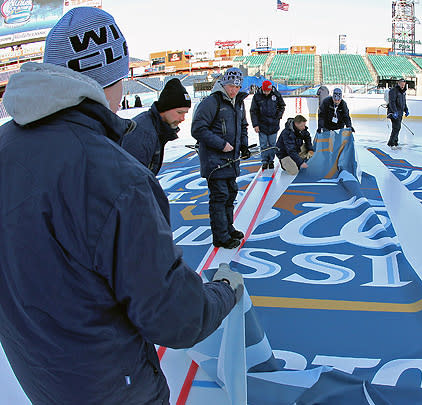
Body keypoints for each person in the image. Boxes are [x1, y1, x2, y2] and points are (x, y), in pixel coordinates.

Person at [0, 8, 243, 405]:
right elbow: (176, 318)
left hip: (41, 378)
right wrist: (223, 293)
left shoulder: (6, 147)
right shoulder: (115, 176)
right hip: (112, 386)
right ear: (114, 76)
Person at [191, 67, 250, 249]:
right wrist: (221, 144)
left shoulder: (239, 103)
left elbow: (243, 126)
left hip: (231, 161)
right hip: (214, 161)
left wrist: (244, 145)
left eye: (237, 87)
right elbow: (198, 129)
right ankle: (220, 237)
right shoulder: (212, 101)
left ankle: (228, 228)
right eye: (230, 86)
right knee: (220, 197)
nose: (233, 90)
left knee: (230, 194)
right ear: (224, 83)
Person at [121, 78, 191, 175]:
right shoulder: (143, 133)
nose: (183, 118)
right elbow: (131, 178)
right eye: (179, 112)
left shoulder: (156, 127)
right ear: (166, 107)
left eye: (185, 113)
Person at [250, 79, 286, 170]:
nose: (267, 92)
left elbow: (282, 106)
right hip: (262, 125)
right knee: (263, 145)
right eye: (265, 91)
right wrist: (255, 125)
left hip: (273, 124)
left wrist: (278, 116)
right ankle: (264, 161)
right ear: (262, 89)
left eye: (268, 91)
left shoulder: (276, 94)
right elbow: (253, 111)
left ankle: (271, 161)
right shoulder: (257, 96)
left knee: (272, 144)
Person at [387, 78, 409, 150]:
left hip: (400, 113)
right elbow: (392, 102)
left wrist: (406, 110)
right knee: (396, 127)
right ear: (398, 83)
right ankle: (391, 143)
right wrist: (394, 111)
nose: (403, 85)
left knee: (397, 128)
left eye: (404, 84)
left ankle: (395, 143)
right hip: (393, 113)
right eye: (401, 83)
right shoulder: (393, 91)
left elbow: (404, 102)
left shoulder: (403, 92)